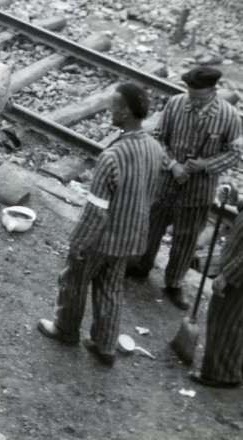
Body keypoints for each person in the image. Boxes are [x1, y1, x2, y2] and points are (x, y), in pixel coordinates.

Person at [37, 83, 165, 367]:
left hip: (101, 238)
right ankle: (105, 345)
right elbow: (153, 194)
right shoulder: (155, 149)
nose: (110, 110)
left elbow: (96, 211)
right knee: (110, 287)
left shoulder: (112, 157)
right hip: (131, 238)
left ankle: (66, 329)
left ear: (127, 112)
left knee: (74, 281)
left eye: (115, 105)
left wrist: (78, 243)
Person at [127, 66, 242, 310]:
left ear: (213, 91)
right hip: (165, 183)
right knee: (152, 227)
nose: (193, 101)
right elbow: (158, 137)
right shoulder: (176, 104)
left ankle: (174, 283)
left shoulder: (229, 116)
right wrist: (173, 164)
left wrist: (205, 164)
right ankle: (141, 266)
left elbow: (234, 153)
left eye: (199, 97)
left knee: (186, 238)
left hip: (198, 191)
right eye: (190, 94)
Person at [189, 183, 243, 388]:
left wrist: (228, 276)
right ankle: (232, 366)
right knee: (234, 321)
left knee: (225, 321)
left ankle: (223, 374)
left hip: (239, 275)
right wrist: (236, 201)